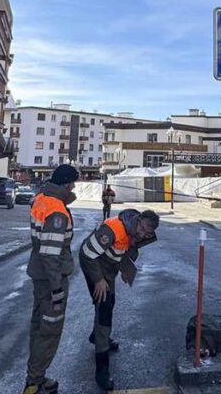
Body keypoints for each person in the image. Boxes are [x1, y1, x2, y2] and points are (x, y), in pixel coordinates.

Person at [79, 209, 160, 391]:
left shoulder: (139, 233)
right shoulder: (113, 229)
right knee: (104, 311)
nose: (142, 234)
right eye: (141, 228)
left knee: (110, 302)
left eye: (147, 233)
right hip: (94, 264)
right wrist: (98, 280)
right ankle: (102, 370)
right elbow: (86, 253)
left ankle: (96, 336)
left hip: (109, 267)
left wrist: (126, 269)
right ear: (138, 220)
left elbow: (124, 251)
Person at [22, 165, 80, 394]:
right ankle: (34, 382)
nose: (75, 186)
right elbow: (50, 253)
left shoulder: (41, 199)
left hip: (39, 276)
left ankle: (36, 376)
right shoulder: (57, 211)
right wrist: (57, 289)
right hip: (50, 280)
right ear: (66, 184)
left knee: (39, 326)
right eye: (73, 183)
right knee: (50, 329)